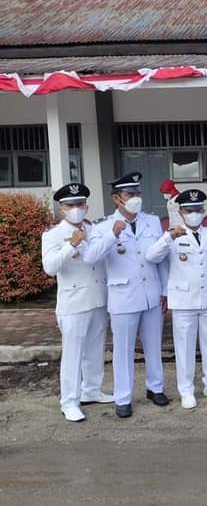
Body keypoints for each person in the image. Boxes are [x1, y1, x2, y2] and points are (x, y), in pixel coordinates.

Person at [83, 172, 170, 419]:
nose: (135, 198)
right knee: (123, 351)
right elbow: (90, 256)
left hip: (151, 293)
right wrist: (112, 234)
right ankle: (123, 397)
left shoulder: (152, 221)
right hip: (123, 297)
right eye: (130, 194)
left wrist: (165, 290)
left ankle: (155, 388)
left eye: (137, 193)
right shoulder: (102, 226)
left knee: (154, 345)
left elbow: (161, 258)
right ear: (116, 198)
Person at [145, 189, 207, 409]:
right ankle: (186, 390)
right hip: (183, 300)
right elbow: (151, 256)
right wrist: (168, 238)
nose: (194, 213)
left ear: (203, 210)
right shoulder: (173, 235)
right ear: (181, 212)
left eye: (197, 209)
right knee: (184, 348)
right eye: (189, 210)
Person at [41, 183, 113, 422]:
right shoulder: (53, 235)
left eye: (80, 204)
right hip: (73, 303)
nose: (76, 208)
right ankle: (69, 401)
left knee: (95, 349)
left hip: (98, 298)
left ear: (86, 206)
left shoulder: (95, 229)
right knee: (73, 354)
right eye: (70, 205)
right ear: (62, 208)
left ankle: (91, 389)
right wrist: (70, 245)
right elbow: (50, 268)